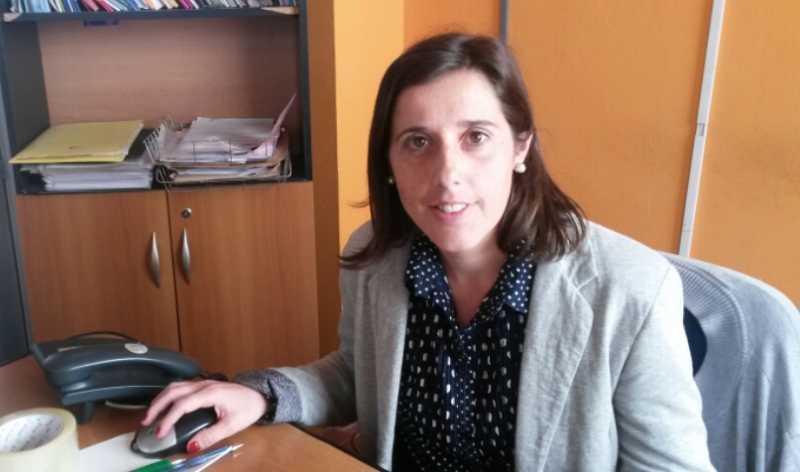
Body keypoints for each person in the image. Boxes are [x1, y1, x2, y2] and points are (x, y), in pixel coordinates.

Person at [143, 33, 714, 471]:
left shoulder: (632, 289)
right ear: (389, 162)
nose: (447, 175)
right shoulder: (376, 255)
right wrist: (259, 395)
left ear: (521, 147)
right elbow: (357, 373)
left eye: (476, 137)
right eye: (418, 142)